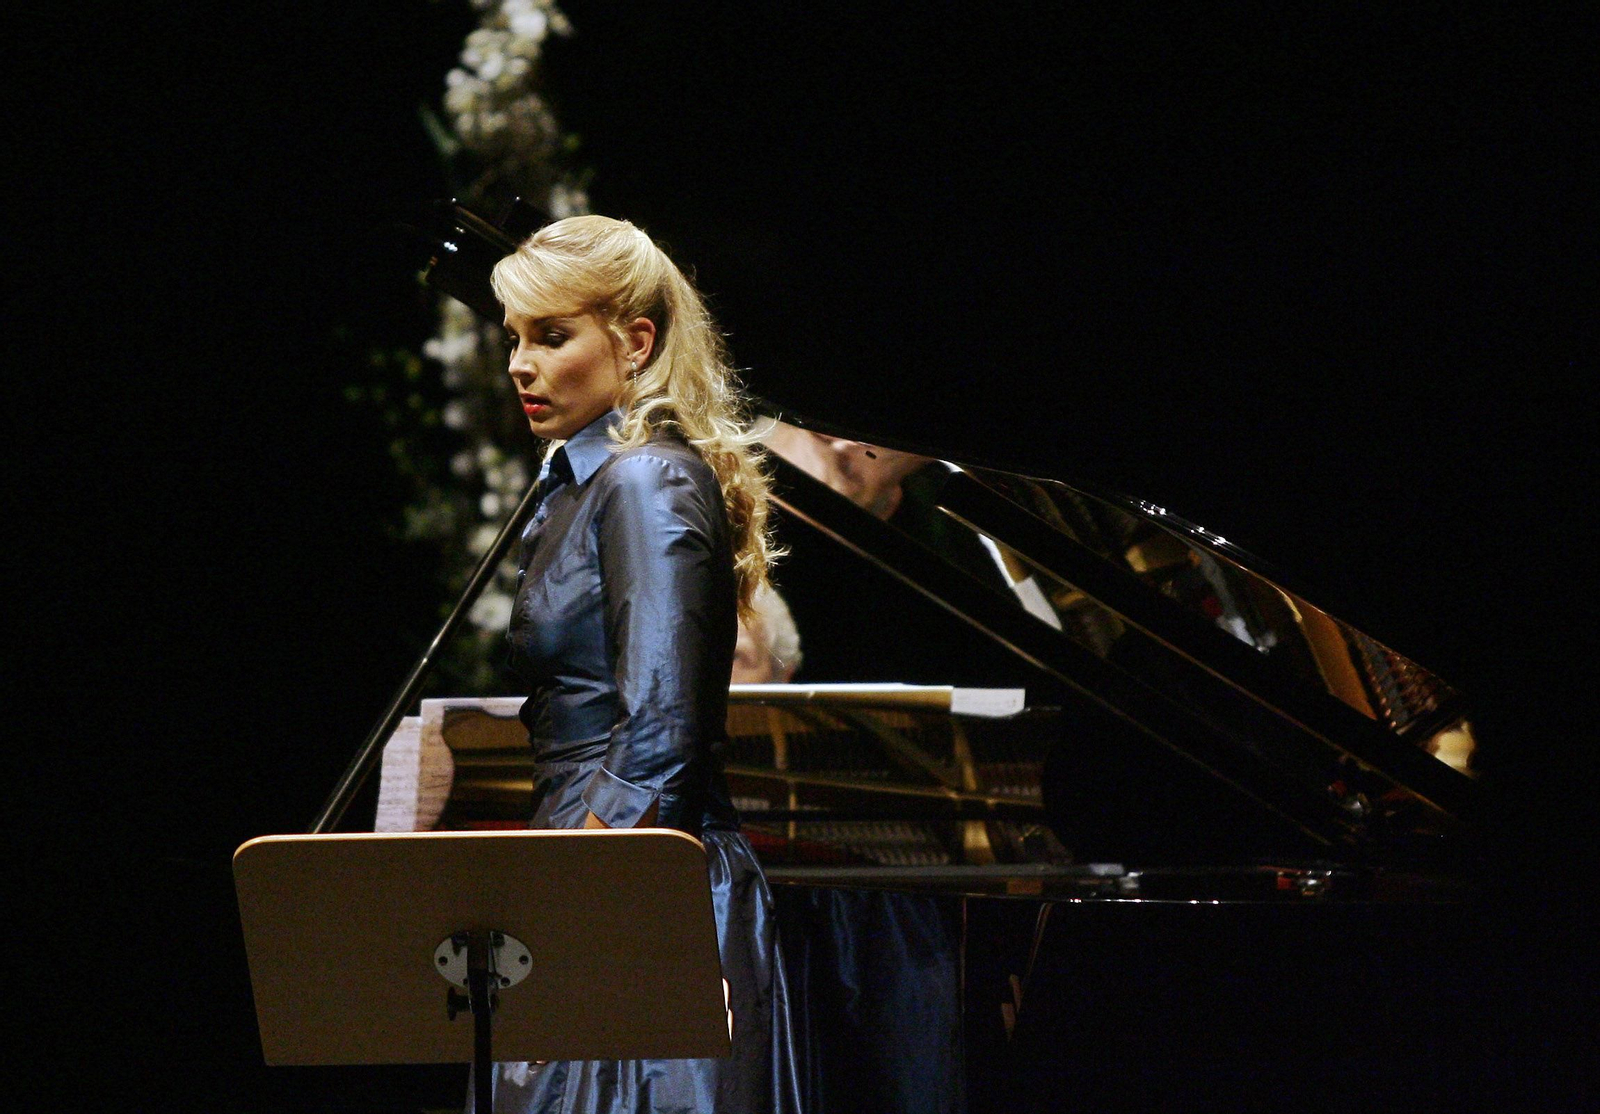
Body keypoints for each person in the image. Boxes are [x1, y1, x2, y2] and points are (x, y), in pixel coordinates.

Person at [478, 215, 802, 1113]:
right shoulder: (587, 485)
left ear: (635, 341)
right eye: (514, 339)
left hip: (635, 878)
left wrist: (576, 899)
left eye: (551, 335)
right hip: (601, 861)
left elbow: (660, 733)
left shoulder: (643, 479)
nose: (520, 363)